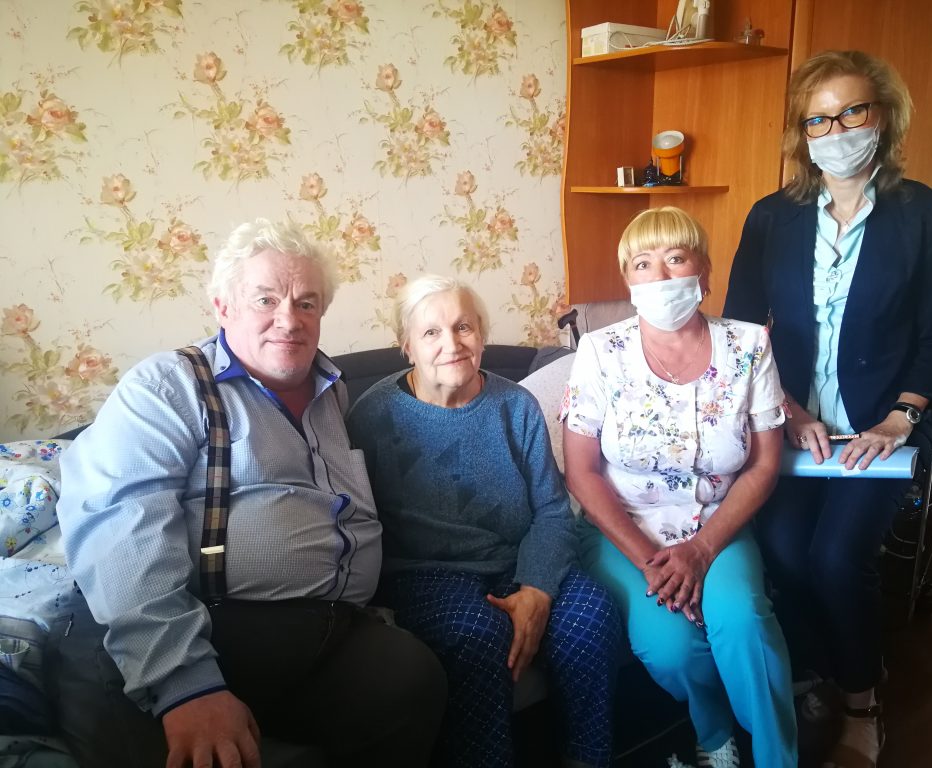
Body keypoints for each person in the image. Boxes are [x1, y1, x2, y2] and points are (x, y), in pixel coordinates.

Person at [51, 220, 447, 768]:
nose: (289, 319)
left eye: (306, 303)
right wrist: (186, 684)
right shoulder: (168, 386)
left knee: (413, 680)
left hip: (325, 627)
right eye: (266, 299)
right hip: (209, 626)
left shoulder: (333, 393)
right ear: (223, 306)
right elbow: (122, 530)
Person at [724, 50, 932, 768]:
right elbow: (741, 332)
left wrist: (901, 416)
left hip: (879, 430)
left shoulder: (925, 214)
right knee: (784, 552)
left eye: (852, 112)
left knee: (835, 559)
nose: (836, 131)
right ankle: (824, 669)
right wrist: (788, 408)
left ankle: (863, 703)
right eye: (819, 119)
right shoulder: (772, 217)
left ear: (883, 117)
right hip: (793, 425)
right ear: (802, 132)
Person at [346, 275, 622, 768]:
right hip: (424, 575)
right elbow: (356, 523)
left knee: (591, 615)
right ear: (406, 345)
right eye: (431, 332)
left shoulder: (516, 406)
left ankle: (586, 757)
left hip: (517, 559)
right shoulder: (371, 417)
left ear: (482, 334)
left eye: (464, 327)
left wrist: (537, 588)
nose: (451, 344)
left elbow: (553, 510)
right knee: (476, 636)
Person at [561, 206, 798, 768]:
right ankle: (713, 735)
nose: (661, 275)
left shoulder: (749, 345)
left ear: (704, 273)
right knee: (669, 649)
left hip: (717, 523)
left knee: (743, 623)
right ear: (628, 280)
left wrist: (701, 550)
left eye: (676, 258)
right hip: (625, 529)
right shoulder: (599, 352)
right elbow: (582, 472)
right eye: (643, 263)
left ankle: (778, 757)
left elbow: (764, 465)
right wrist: (652, 562)